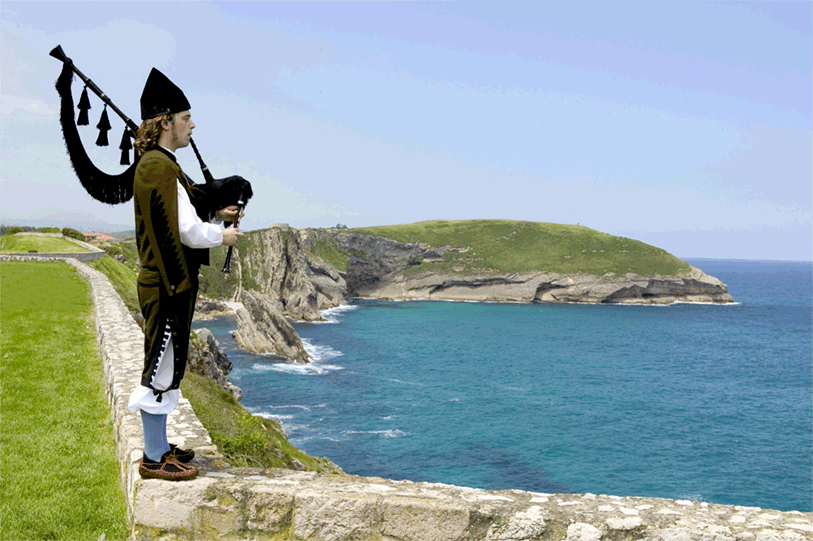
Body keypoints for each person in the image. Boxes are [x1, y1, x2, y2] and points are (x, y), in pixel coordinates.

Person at [127, 68, 243, 481]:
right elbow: (185, 230)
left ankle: (160, 446)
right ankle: (153, 458)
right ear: (166, 122)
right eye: (186, 117)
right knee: (160, 367)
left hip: (167, 283)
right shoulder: (158, 166)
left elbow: (181, 215)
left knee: (166, 364)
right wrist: (222, 235)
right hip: (165, 284)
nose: (192, 125)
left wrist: (217, 212)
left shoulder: (160, 164)